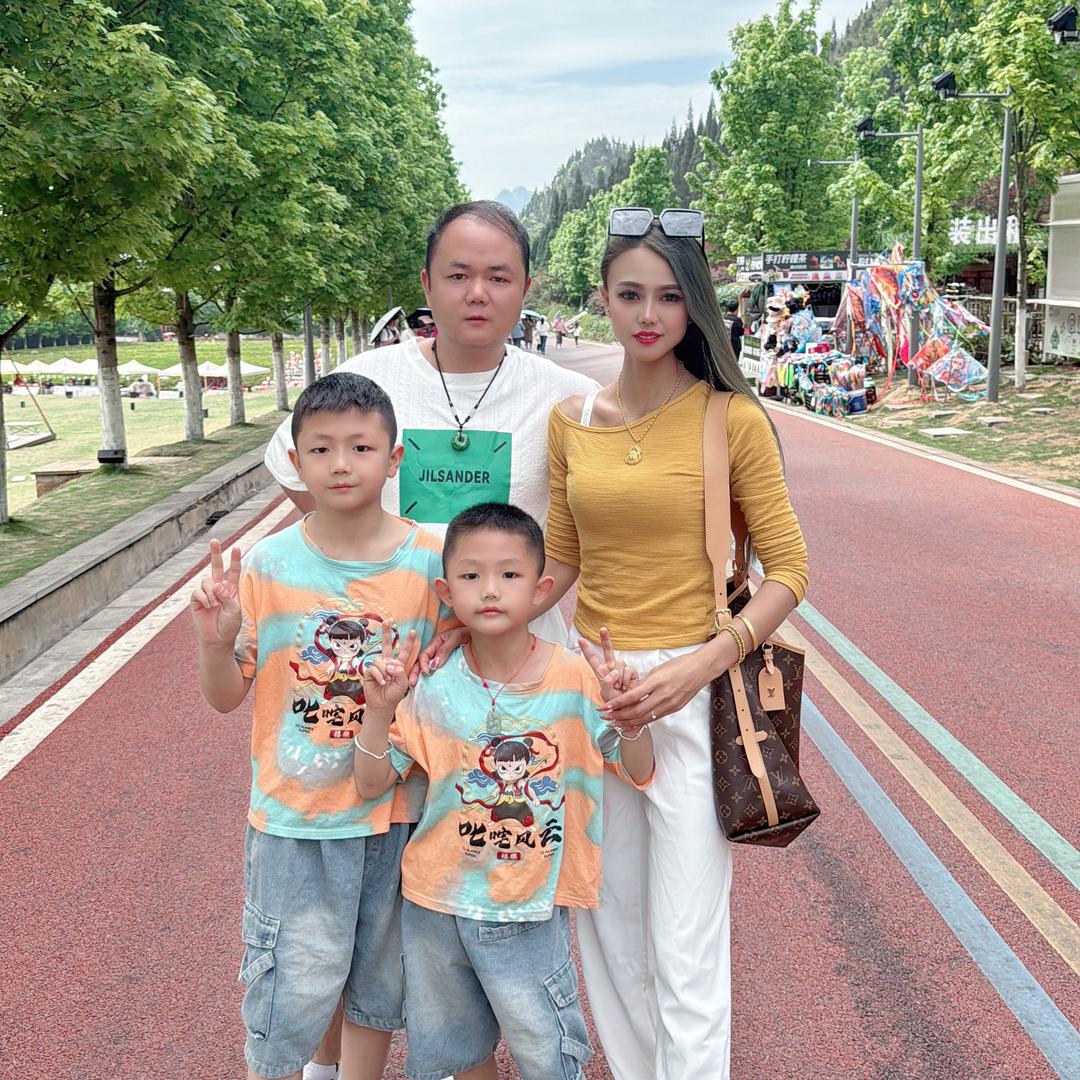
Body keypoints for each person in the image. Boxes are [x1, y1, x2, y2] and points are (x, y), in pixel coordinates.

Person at [541, 208, 809, 1079]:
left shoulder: (730, 420)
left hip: (694, 691)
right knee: (609, 924)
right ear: (603, 301)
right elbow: (558, 560)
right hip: (594, 689)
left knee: (686, 937)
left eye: (668, 296)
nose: (648, 315)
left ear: (696, 306)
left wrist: (704, 660)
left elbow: (790, 570)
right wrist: (458, 610)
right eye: (629, 295)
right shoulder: (571, 418)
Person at [191, 372, 453, 1080]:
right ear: (296, 461)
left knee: (379, 985)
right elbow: (224, 698)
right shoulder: (270, 564)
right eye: (322, 448)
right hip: (295, 819)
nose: (342, 464)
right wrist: (215, 643)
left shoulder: (433, 563)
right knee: (292, 984)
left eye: (362, 447)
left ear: (395, 457)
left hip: (398, 811)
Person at [353, 502, 654, 1080]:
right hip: (433, 902)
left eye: (509, 575)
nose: (490, 590)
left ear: (541, 590)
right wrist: (378, 712)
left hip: (529, 904)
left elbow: (638, 769)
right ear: (446, 589)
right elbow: (372, 783)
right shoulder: (433, 685)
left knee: (548, 1053)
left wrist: (629, 718)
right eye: (471, 576)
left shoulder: (575, 679)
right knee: (452, 1055)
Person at [263, 199, 596, 650]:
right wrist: (350, 537)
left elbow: (572, 542)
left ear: (524, 289)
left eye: (498, 277)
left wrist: (490, 623)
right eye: (458, 276)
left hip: (519, 650)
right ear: (427, 284)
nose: (477, 292)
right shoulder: (368, 380)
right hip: (385, 641)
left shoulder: (570, 399)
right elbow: (288, 463)